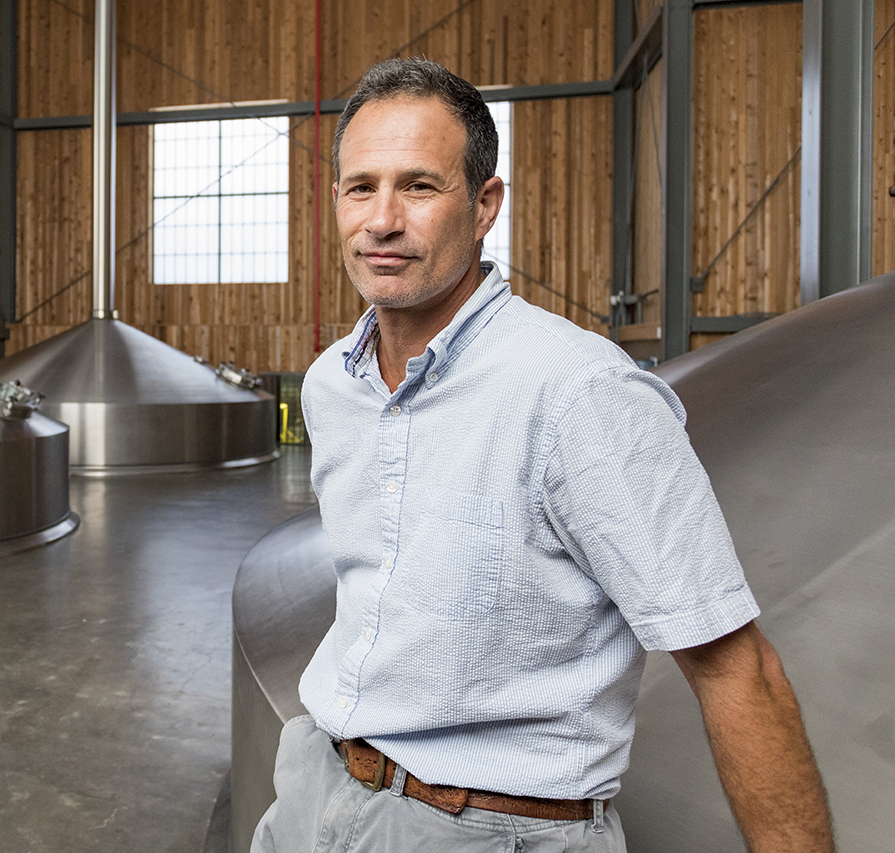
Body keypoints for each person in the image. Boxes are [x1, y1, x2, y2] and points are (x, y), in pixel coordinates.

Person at [252, 58, 833, 852]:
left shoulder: (579, 394)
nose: (381, 220)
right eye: (361, 187)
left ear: (485, 204)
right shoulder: (332, 384)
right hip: (315, 788)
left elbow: (737, 668)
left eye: (419, 186)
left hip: (487, 828)